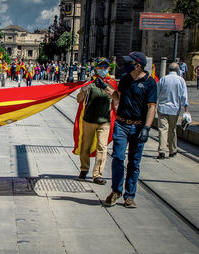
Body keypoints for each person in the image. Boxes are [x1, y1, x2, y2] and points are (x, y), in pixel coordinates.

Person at [100, 51, 157, 208]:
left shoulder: (150, 83)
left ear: (138, 65)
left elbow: (151, 107)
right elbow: (118, 97)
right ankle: (116, 191)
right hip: (122, 124)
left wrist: (147, 127)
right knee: (118, 157)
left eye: (129, 63)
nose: (125, 66)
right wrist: (105, 88)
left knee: (134, 162)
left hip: (138, 126)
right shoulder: (125, 80)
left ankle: (129, 196)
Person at [76, 58, 117, 185]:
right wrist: (84, 89)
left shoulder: (112, 83)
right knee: (85, 146)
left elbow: (116, 99)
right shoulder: (90, 82)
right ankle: (84, 169)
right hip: (89, 120)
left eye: (105, 67)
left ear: (109, 69)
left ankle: (97, 174)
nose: (103, 69)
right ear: (96, 68)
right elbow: (79, 99)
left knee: (102, 147)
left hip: (104, 121)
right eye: (101, 67)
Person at [156, 62, 189, 159]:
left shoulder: (163, 79)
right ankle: (172, 150)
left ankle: (162, 150)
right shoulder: (181, 81)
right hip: (174, 109)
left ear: (168, 70)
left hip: (162, 108)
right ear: (178, 70)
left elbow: (157, 93)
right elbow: (184, 96)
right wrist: (186, 110)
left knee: (162, 129)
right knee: (172, 130)